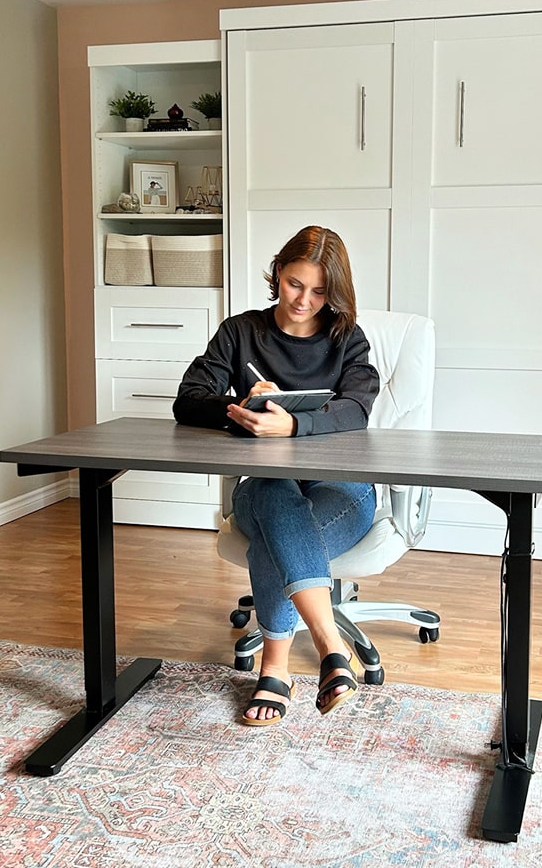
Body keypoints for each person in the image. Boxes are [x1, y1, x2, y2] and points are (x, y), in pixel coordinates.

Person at [173, 226, 380, 726]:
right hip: (263, 487)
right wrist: (237, 406)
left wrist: (294, 424)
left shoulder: (347, 339)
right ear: (277, 274)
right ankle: (332, 649)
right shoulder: (240, 331)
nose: (303, 300)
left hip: (342, 492)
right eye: (293, 284)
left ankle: (277, 669)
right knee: (272, 498)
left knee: (272, 534)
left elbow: (355, 409)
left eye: (319, 291)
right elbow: (187, 400)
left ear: (336, 293)